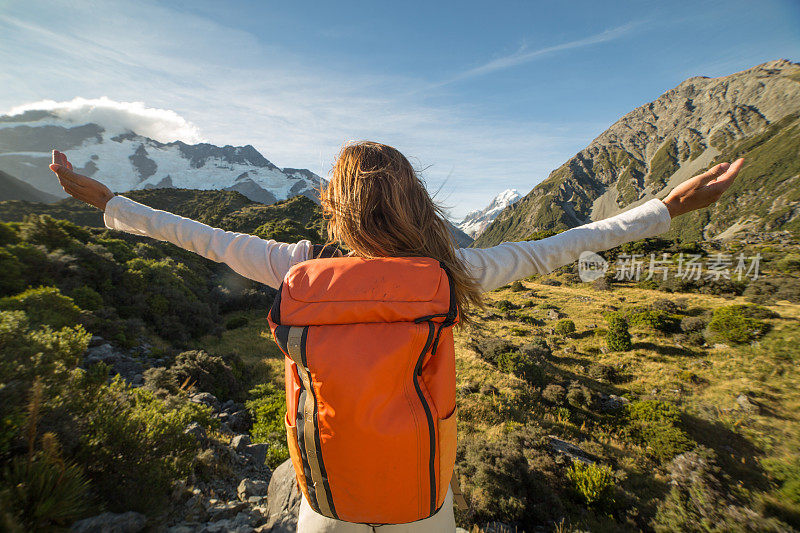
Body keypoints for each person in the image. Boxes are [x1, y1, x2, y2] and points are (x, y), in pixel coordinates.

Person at [49, 144, 743, 532]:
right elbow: (560, 246)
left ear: (336, 207)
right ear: (413, 202)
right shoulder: (451, 272)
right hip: (421, 500)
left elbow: (197, 236)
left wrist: (107, 201)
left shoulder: (298, 266)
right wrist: (665, 208)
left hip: (327, 501)